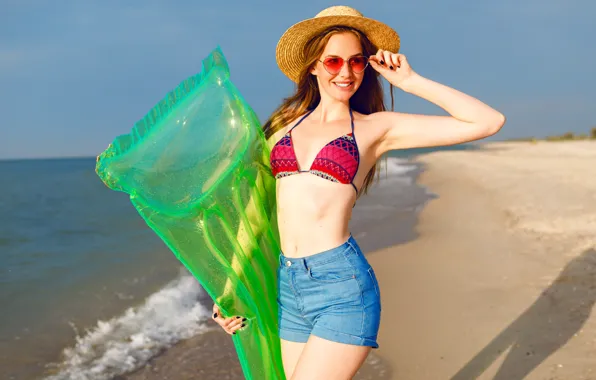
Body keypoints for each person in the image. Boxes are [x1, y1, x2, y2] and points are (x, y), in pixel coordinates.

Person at [212, 5, 505, 379]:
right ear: (313, 65)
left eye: (357, 61)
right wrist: (229, 285)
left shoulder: (375, 128)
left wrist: (411, 82)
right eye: (333, 61)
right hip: (290, 287)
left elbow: (488, 121)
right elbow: (254, 211)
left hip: (343, 287)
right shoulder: (282, 128)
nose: (346, 72)